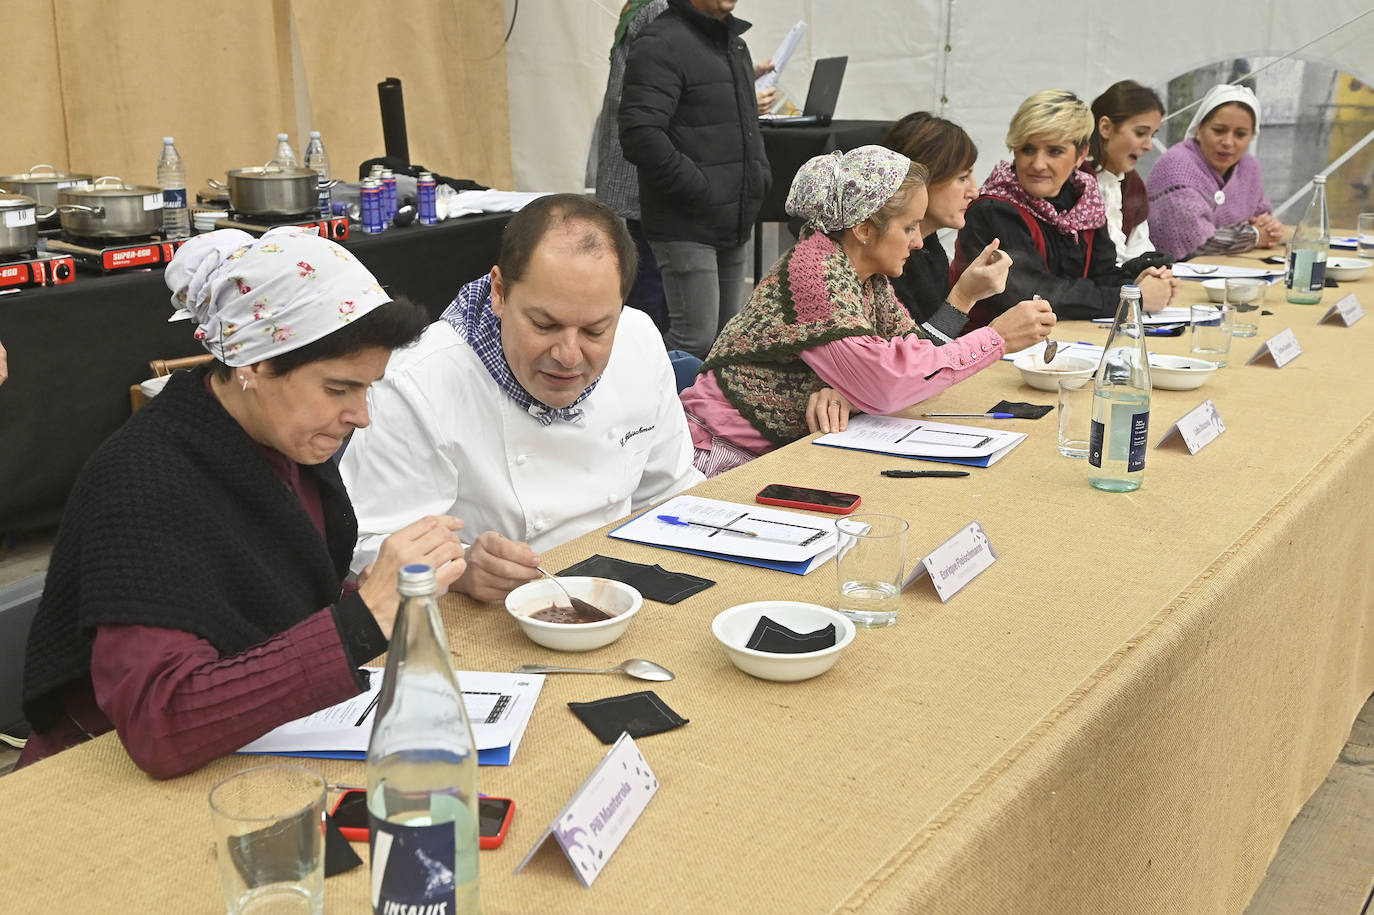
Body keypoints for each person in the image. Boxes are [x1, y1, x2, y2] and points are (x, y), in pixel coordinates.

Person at [19, 227, 466, 778]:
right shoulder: (143, 481)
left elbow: (266, 599)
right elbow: (160, 724)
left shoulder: (283, 444)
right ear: (253, 363)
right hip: (94, 785)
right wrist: (361, 619)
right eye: (338, 389)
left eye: (368, 388)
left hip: (249, 750)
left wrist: (376, 590)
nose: (362, 415)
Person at [340, 194, 702, 602]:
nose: (568, 355)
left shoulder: (639, 339)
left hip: (619, 590)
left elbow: (671, 491)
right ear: (499, 292)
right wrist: (460, 568)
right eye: (545, 325)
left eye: (596, 331)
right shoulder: (420, 380)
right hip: (484, 615)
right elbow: (369, 543)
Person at [678, 146, 1054, 476]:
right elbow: (891, 383)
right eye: (908, 227)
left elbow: (913, 358)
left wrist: (964, 298)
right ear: (863, 229)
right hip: (716, 457)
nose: (919, 241)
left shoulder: (861, 274)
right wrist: (996, 338)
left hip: (763, 453)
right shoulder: (816, 273)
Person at [619, 0, 772, 359]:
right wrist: (700, 188)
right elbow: (640, 134)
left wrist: (758, 178)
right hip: (686, 221)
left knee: (725, 342)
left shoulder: (734, 44)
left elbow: (745, 127)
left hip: (731, 219)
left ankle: (704, 416)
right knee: (694, 341)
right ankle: (634, 404)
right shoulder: (660, 41)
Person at [955, 89, 1178, 324]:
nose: (1038, 164)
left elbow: (1100, 273)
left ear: (1081, 155)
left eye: (1055, 151)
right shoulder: (993, 210)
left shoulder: (1084, 200)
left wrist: (1136, 281)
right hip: (991, 350)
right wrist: (1132, 297)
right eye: (1027, 149)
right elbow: (1033, 294)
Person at [882, 111, 1052, 341]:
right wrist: (966, 298)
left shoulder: (930, 249)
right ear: (922, 179)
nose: (974, 191)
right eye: (963, 177)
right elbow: (917, 362)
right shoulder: (884, 259)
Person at [1146, 84, 1284, 260]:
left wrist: (1269, 227)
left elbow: (1260, 218)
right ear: (1200, 127)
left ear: (1252, 136)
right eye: (1219, 131)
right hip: (1172, 275)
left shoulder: (1249, 168)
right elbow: (1195, 241)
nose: (1228, 142)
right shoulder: (1176, 167)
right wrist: (1254, 236)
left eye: (1240, 134)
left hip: (1229, 268)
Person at [1085, 80, 1166, 266]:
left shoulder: (1133, 183)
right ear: (1105, 128)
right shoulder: (1075, 181)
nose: (1149, 146)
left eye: (1152, 135)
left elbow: (1139, 248)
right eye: (1140, 133)